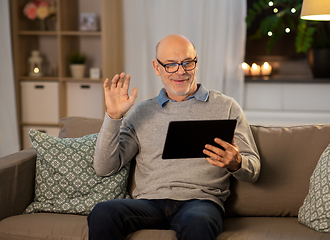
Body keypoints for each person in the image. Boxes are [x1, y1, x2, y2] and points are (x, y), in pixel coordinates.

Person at [87, 34, 260, 240]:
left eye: (187, 63)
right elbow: (105, 167)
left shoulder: (227, 107)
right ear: (156, 67)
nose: (181, 71)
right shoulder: (142, 112)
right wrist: (113, 116)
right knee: (103, 212)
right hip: (148, 203)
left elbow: (254, 170)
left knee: (200, 222)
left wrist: (236, 162)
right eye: (170, 64)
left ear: (196, 63)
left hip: (201, 203)